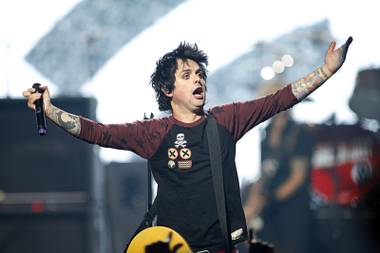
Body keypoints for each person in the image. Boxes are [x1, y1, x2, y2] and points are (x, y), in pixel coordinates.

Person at [23, 37, 352, 253]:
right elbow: (100, 133)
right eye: (186, 75)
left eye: (200, 74)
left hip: (223, 246)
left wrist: (326, 70)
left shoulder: (225, 120)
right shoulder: (154, 132)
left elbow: (279, 100)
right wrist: (50, 111)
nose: (198, 79)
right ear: (168, 89)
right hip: (173, 247)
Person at [243, 102, 314, 253]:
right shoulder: (266, 133)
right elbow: (265, 171)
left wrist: (268, 199)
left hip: (293, 210)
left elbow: (298, 178)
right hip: (271, 212)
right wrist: (251, 204)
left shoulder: (299, 133)